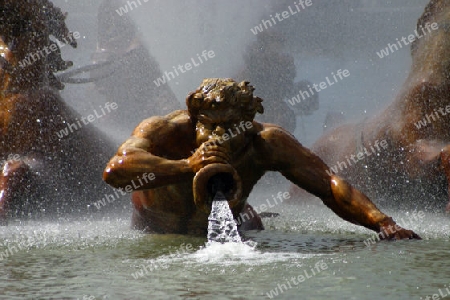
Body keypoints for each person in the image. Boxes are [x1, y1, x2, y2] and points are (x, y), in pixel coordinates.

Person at [103, 78, 420, 240]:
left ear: (248, 121)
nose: (219, 135)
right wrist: (188, 166)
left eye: (230, 127)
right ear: (194, 118)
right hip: (158, 230)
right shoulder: (165, 130)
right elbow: (116, 170)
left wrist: (384, 223)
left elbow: (330, 184)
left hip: (234, 226)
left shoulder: (266, 141)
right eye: (210, 125)